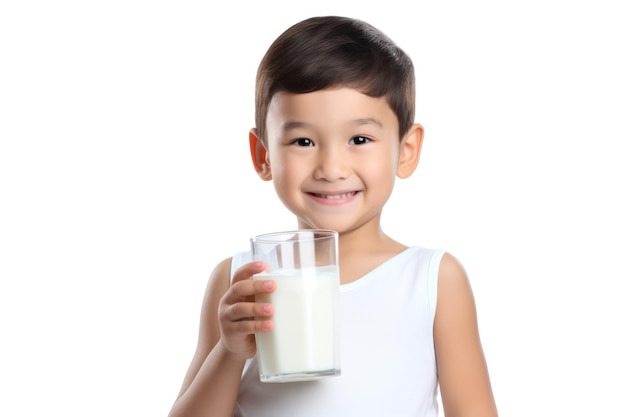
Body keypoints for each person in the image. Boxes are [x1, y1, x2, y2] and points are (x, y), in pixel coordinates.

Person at [168, 15, 498, 417]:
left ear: (406, 150)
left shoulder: (433, 280)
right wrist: (229, 350)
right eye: (303, 141)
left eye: (359, 139)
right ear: (263, 155)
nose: (331, 167)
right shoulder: (241, 281)